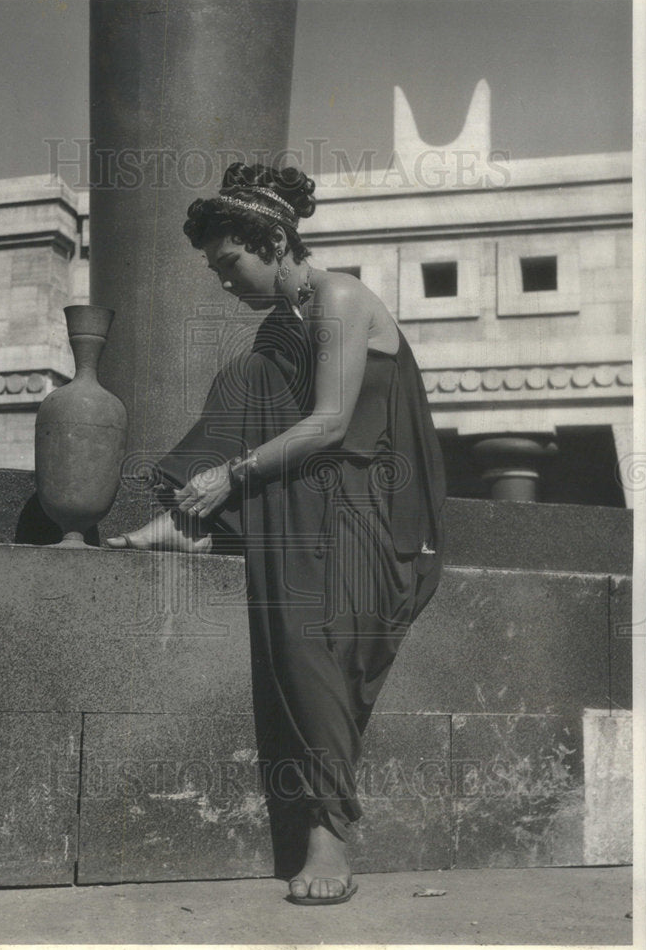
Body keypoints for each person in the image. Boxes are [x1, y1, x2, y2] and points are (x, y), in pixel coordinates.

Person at [107, 162, 446, 906]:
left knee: (305, 627)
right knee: (252, 373)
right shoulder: (282, 326)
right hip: (314, 492)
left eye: (231, 264)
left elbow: (329, 424)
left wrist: (231, 477)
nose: (223, 281)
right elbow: (286, 418)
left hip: (375, 504)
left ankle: (327, 833)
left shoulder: (342, 298)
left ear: (276, 241)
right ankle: (195, 523)